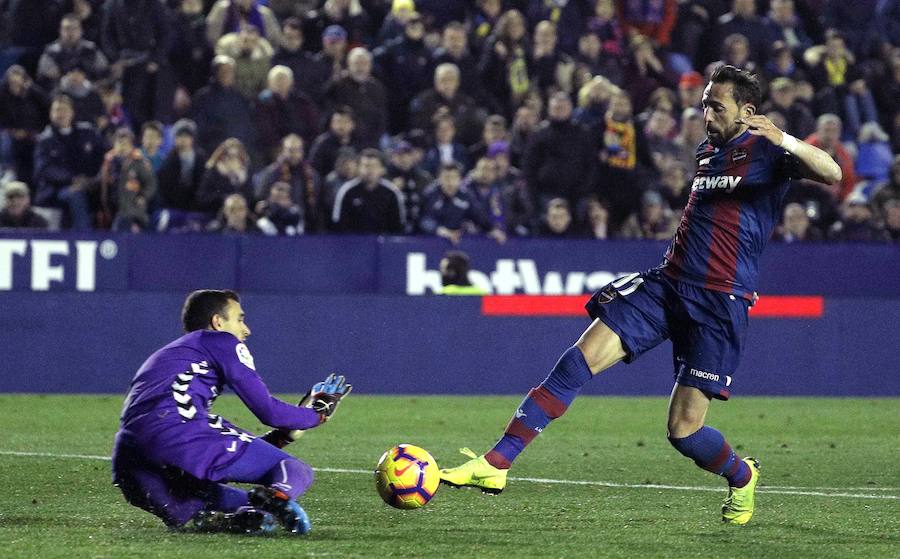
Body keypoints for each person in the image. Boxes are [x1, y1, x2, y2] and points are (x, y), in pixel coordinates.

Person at [440, 65, 842, 526]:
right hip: (667, 284)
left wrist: (784, 137)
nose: (706, 113)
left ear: (748, 112)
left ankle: (741, 475)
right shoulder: (708, 150)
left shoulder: (769, 150)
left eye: (717, 105)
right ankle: (496, 464)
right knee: (578, 359)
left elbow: (830, 171)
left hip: (719, 302)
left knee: (684, 432)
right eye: (705, 103)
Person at [112, 289, 351, 534]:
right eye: (239, 319)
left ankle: (232, 519)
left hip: (128, 458)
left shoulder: (168, 354)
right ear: (218, 322)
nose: (246, 330)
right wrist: (317, 414)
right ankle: (278, 496)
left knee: (231, 507)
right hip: (178, 431)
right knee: (295, 470)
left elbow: (230, 455)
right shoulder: (220, 341)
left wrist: (280, 437)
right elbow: (268, 411)